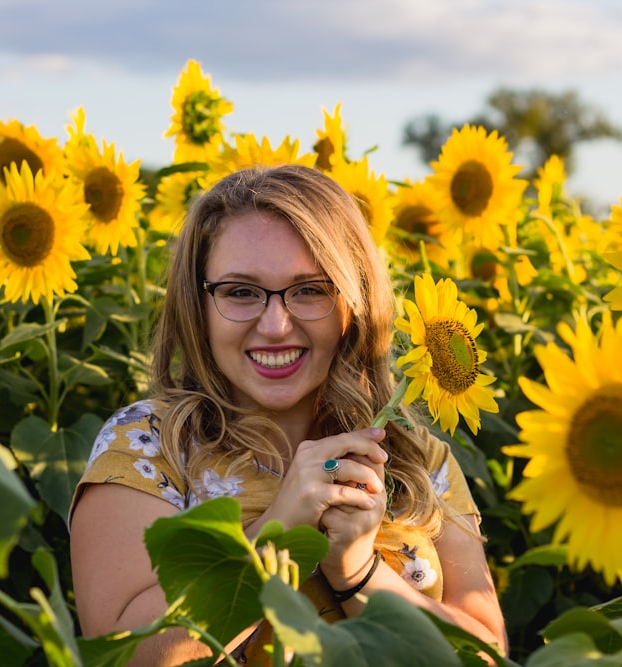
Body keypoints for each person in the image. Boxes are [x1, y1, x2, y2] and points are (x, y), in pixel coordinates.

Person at [69, 164, 507, 665]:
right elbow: (119, 655)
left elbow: (485, 654)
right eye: (240, 291)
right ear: (199, 303)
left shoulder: (419, 461)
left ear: (354, 301)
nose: (276, 325)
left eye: (310, 290)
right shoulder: (151, 446)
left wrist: (359, 571)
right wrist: (278, 532)